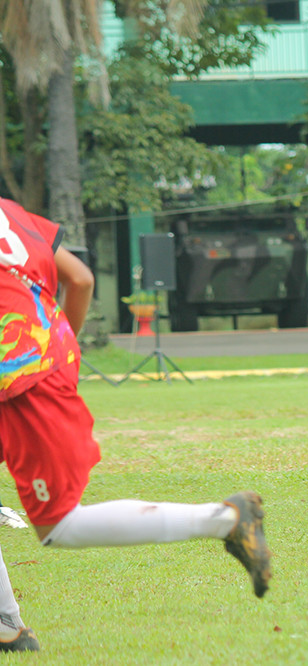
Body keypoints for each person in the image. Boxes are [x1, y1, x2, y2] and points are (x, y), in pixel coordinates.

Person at [0, 197, 272, 652]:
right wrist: (59, 347)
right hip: (42, 360)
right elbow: (80, 278)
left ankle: (226, 519)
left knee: (60, 526)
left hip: (24, 378)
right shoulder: (8, 209)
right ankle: (8, 630)